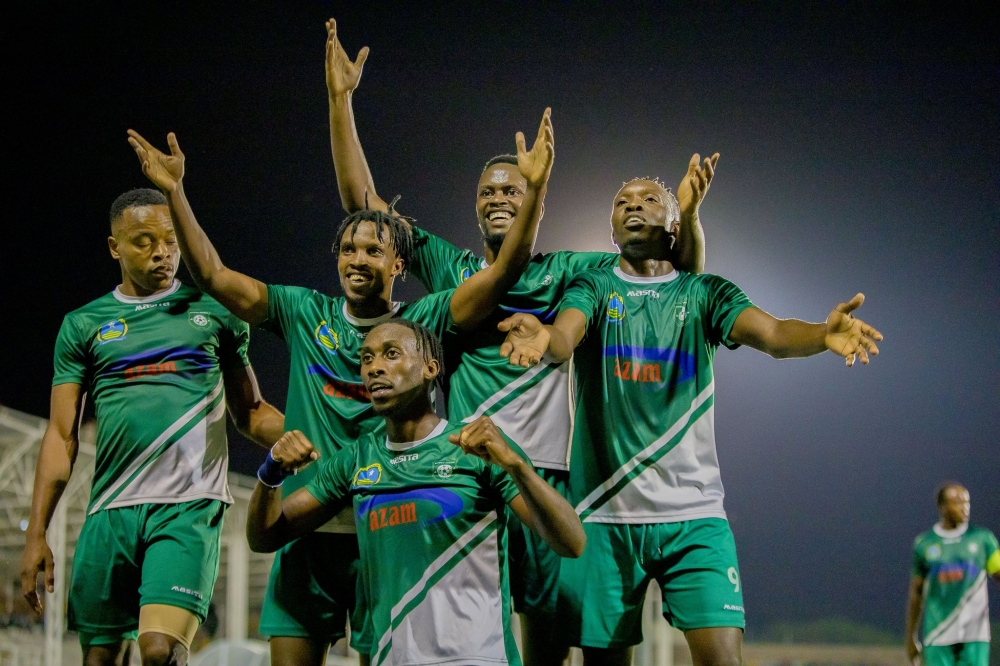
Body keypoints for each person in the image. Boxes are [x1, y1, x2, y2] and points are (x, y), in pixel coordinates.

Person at [323, 19, 712, 663]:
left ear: (534, 196)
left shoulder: (570, 272)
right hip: (470, 473)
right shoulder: (453, 271)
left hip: (549, 479)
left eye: (513, 188)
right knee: (460, 627)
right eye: (488, 192)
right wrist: (341, 102)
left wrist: (688, 219)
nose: (499, 197)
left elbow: (675, 279)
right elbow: (363, 205)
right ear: (475, 208)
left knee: (554, 643)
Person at [126, 107, 553, 666]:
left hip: (388, 533)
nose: (358, 258)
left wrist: (538, 191)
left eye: (374, 250)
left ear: (398, 262)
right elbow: (214, 276)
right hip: (309, 524)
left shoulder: (423, 324)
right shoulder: (304, 311)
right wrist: (176, 193)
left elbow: (499, 275)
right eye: (348, 250)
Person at [498, 175, 884, 666]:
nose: (633, 205)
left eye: (648, 199)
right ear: (612, 228)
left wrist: (820, 334)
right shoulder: (592, 287)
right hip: (604, 515)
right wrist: (543, 338)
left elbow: (773, 334)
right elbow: (564, 337)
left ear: (675, 223)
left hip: (694, 515)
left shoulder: (705, 294)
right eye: (622, 202)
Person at [19, 188, 284, 666]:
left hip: (187, 506)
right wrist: (37, 531)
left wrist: (318, 439)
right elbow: (61, 438)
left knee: (159, 650)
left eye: (170, 240)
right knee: (100, 659)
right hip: (110, 510)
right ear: (114, 247)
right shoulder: (85, 325)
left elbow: (251, 412)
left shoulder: (214, 312)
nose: (163, 252)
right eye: (144, 241)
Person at [245, 319, 586, 666]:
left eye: (390, 354)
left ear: (430, 368)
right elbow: (265, 536)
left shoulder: (476, 448)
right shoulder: (357, 460)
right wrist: (271, 472)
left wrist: (517, 466)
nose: (374, 367)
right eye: (366, 359)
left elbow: (571, 542)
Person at [906, 483, 1000, 666]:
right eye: (957, 502)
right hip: (938, 634)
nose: (964, 507)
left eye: (967, 502)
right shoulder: (925, 544)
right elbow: (916, 593)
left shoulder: (983, 539)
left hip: (975, 635)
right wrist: (911, 636)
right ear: (942, 507)